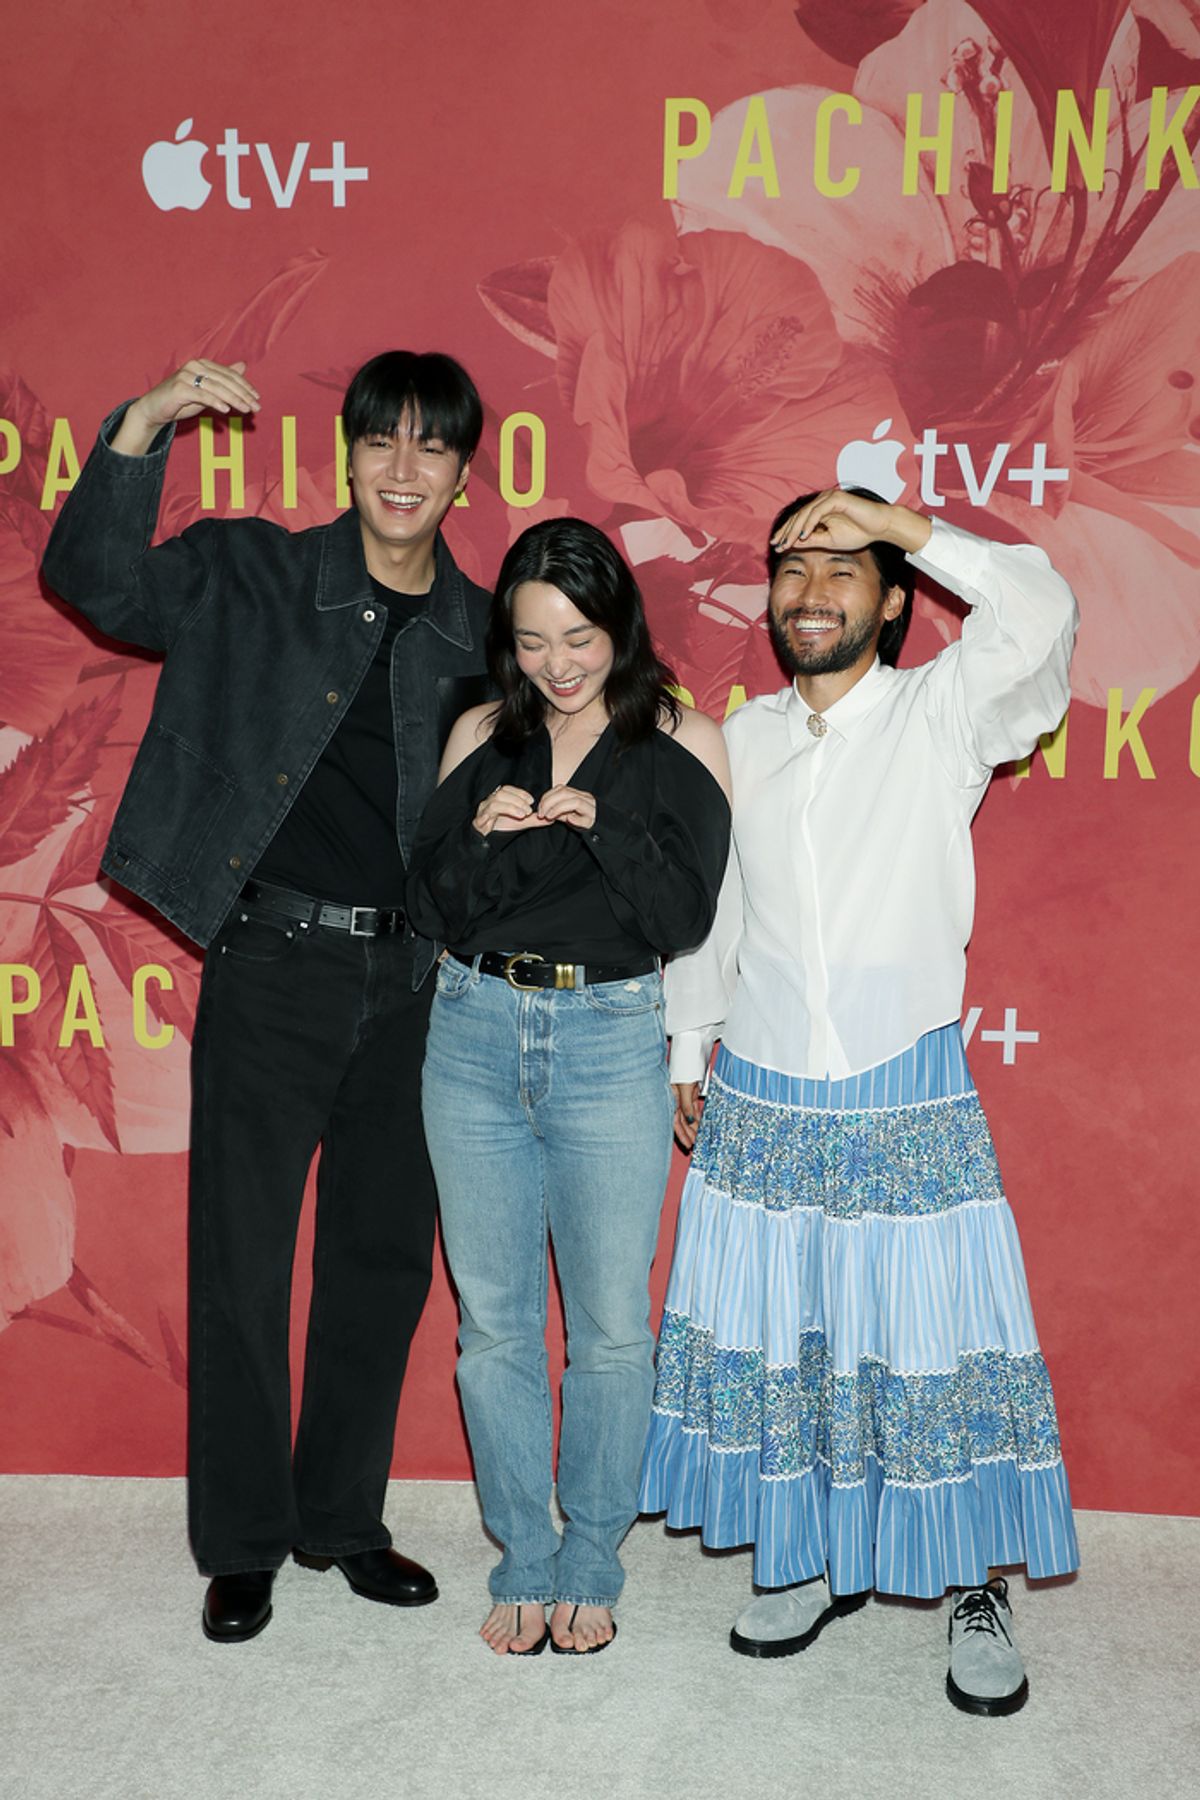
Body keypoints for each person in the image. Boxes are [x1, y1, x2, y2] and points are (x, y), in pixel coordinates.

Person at [41, 350, 493, 1642]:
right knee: (239, 1261)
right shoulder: (256, 574)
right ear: (349, 455)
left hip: (412, 980)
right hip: (275, 964)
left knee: (379, 1258)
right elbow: (97, 580)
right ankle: (240, 1540)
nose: (403, 469)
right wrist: (143, 424)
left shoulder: (477, 631)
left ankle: (342, 1520)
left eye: (431, 448)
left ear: (463, 472)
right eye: (382, 443)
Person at [639, 486, 1080, 1714]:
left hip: (906, 1083)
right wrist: (692, 1046)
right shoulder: (743, 735)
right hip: (765, 1095)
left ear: (895, 597)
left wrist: (918, 529)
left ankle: (971, 1586)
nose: (813, 592)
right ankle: (816, 1556)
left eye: (845, 566)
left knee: (930, 1340)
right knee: (796, 1338)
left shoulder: (941, 712)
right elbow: (714, 916)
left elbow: (1041, 611)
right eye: (792, 569)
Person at [405, 517, 731, 1656]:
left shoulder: (682, 734)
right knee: (492, 1327)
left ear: (620, 626)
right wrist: (485, 837)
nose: (558, 663)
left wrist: (607, 831)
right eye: (535, 638)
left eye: (580, 636)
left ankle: (593, 1550)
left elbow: (683, 919)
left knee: (607, 1327)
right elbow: (435, 902)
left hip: (606, 1037)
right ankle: (521, 1555)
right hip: (474, 1032)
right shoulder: (484, 730)